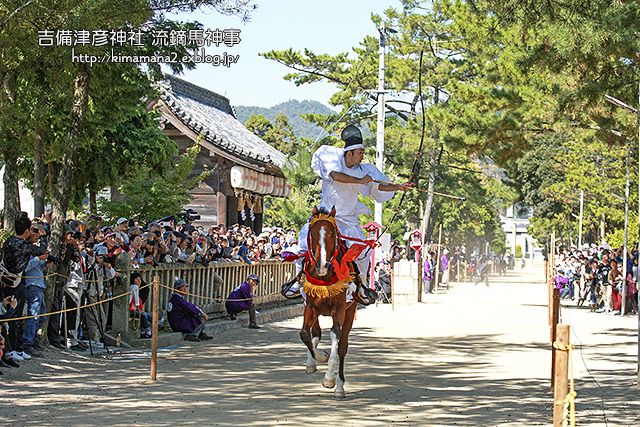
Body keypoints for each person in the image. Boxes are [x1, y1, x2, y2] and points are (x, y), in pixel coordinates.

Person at [282, 124, 411, 303]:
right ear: (349, 153)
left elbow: (379, 185)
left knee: (364, 253)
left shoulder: (365, 170)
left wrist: (399, 187)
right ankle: (298, 280)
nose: (362, 155)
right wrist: (360, 181)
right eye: (360, 152)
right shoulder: (333, 160)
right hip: (326, 217)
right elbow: (336, 176)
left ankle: (362, 287)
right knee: (304, 244)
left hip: (349, 220)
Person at [1, 212, 48, 361]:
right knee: (14, 315)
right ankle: (13, 348)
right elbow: (42, 251)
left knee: (10, 314)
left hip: (6, 279)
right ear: (27, 231)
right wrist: (43, 236)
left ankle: (14, 347)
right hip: (16, 281)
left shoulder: (8, 241)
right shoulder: (23, 245)